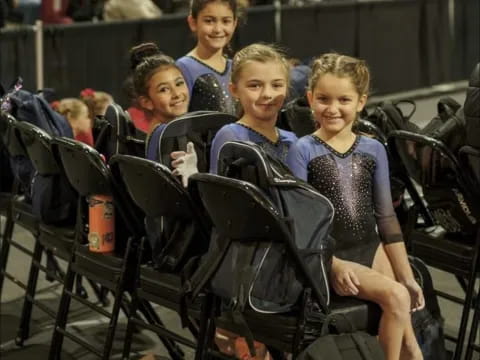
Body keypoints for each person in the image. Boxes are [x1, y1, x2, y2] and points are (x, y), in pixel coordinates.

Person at [286, 53, 425, 360]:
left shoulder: (372, 148)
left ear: (361, 102)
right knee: (397, 298)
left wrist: (407, 275)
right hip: (332, 253)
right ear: (309, 98)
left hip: (371, 248)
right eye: (323, 98)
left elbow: (386, 219)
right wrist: (332, 263)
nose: (333, 109)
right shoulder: (302, 150)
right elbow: (300, 223)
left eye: (344, 100)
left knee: (407, 315)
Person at [175, 0, 238, 114]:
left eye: (226, 21)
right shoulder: (183, 67)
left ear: (234, 23)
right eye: (209, 21)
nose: (218, 29)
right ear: (193, 23)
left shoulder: (236, 67)